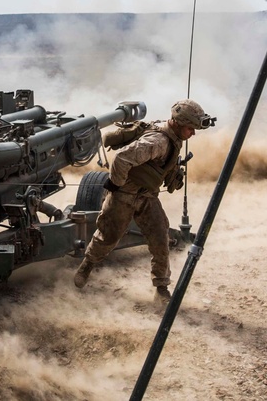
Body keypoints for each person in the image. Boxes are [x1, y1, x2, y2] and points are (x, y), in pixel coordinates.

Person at [74, 98, 215, 302]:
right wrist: (115, 184)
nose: (192, 133)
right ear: (177, 123)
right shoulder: (157, 142)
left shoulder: (174, 139)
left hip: (147, 196)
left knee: (160, 238)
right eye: (190, 128)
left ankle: (161, 287)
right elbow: (122, 158)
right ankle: (87, 266)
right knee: (108, 236)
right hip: (124, 195)